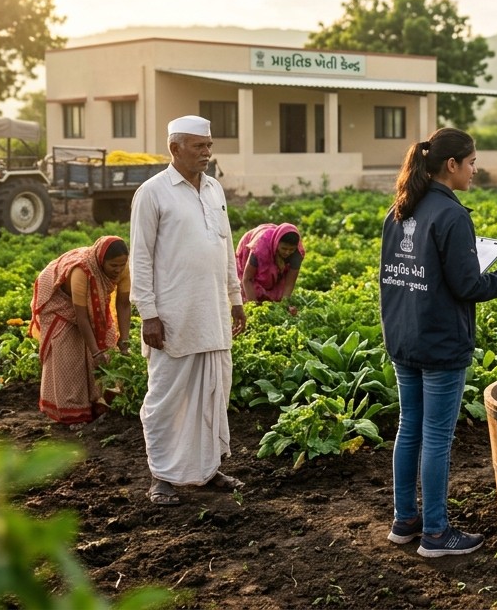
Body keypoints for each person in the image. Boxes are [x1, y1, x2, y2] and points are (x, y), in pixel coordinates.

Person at [381, 127, 497, 557]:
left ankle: (405, 521)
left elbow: (397, 279)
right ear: (451, 165)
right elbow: (468, 285)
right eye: (472, 163)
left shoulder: (400, 210)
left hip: (404, 336)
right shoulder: (452, 216)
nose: (475, 171)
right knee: (436, 437)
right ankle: (436, 533)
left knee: (409, 429)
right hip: (439, 342)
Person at [130, 114, 248, 507]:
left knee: (214, 393)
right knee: (167, 396)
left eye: (209, 146)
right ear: (175, 148)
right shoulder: (153, 192)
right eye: (199, 146)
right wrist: (148, 312)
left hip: (212, 312)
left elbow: (226, 248)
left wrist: (235, 298)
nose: (207, 153)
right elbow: (141, 258)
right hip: (173, 316)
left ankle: (207, 469)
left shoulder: (214, 189)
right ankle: (161, 476)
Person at [30, 235, 132, 424]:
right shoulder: (82, 271)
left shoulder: (124, 268)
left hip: (89, 303)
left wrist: (124, 341)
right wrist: (94, 352)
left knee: (108, 346)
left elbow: (124, 305)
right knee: (70, 356)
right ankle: (72, 414)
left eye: (121, 265)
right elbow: (82, 316)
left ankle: (99, 405)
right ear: (102, 262)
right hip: (59, 300)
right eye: (113, 266)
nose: (118, 270)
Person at [236, 222, 304, 303]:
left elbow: (289, 283)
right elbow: (247, 279)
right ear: (277, 243)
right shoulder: (259, 248)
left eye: (291, 249)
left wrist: (284, 304)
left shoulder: (297, 254)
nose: (287, 252)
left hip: (270, 247)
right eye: (284, 248)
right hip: (254, 244)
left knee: (277, 292)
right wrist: (254, 306)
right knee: (251, 290)